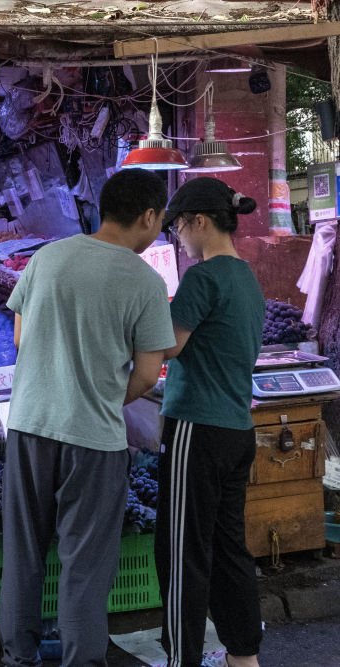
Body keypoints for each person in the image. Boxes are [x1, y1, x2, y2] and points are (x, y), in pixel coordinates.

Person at [0, 169, 175, 667]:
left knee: (23, 554)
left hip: (30, 425)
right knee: (84, 567)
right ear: (148, 216)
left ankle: (18, 659)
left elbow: (18, 338)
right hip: (93, 440)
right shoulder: (144, 281)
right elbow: (146, 372)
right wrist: (96, 391)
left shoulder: (47, 257)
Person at [158, 177, 264, 667]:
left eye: (178, 227)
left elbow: (169, 346)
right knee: (228, 549)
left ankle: (182, 658)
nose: (178, 238)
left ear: (199, 221)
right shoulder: (247, 277)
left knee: (182, 552)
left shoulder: (203, 277)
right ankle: (244, 657)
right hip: (237, 429)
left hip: (196, 430)